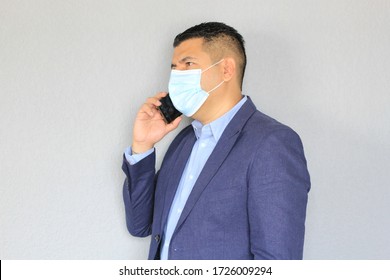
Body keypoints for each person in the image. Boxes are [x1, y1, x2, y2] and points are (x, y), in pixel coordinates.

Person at [122, 22, 311, 260]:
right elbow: (140, 225)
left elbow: (277, 261)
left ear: (226, 70)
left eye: (188, 64)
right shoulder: (183, 141)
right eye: (174, 69)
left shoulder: (272, 143)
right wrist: (142, 145)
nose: (177, 76)